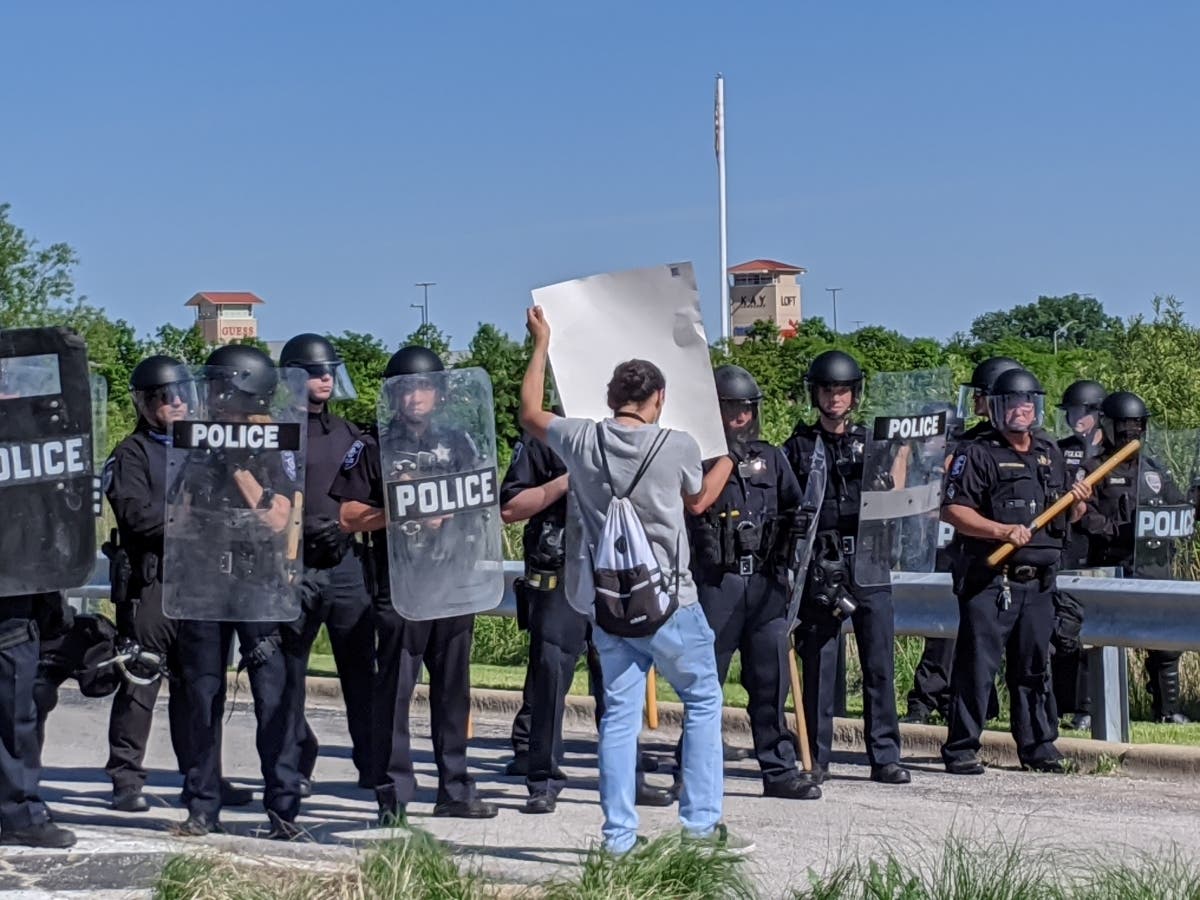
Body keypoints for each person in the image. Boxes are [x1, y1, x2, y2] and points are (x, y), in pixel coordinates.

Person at [518, 305, 751, 855]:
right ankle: (699, 828)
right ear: (659, 400)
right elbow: (699, 501)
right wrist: (729, 461)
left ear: (609, 398)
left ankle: (618, 838)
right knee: (701, 702)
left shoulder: (580, 439)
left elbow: (529, 411)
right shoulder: (677, 446)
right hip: (672, 602)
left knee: (619, 718)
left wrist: (542, 341)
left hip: (607, 605)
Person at [332, 346, 497, 824]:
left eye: (424, 386)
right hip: (399, 586)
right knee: (395, 692)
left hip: (454, 579)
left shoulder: (462, 439)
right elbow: (345, 515)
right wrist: (402, 512)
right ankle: (394, 794)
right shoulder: (373, 446)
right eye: (406, 387)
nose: (415, 395)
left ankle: (456, 787)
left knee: (453, 690)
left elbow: (484, 499)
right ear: (393, 394)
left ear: (440, 393)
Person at [500, 430, 675, 812]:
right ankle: (543, 780)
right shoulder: (542, 440)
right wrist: (568, 480)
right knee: (550, 677)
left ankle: (629, 777)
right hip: (560, 574)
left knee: (619, 681)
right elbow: (511, 507)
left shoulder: (617, 436)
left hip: (613, 574)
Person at [171, 344, 305, 837]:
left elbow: (277, 519)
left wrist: (236, 466)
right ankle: (202, 804)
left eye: (217, 389)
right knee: (201, 696)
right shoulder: (198, 444)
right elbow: (179, 516)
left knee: (274, 698)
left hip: (258, 583)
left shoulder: (276, 443)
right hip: (205, 583)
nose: (210, 398)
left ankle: (283, 809)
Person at [940, 368, 1092, 775]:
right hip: (992, 580)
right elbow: (953, 509)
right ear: (996, 408)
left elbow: (1068, 512)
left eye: (1027, 403)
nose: (1020, 411)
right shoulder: (978, 452)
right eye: (1011, 403)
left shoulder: (1048, 451)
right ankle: (962, 748)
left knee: (1033, 668)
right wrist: (1000, 530)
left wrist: (1078, 500)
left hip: (1039, 581)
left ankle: (1038, 747)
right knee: (978, 667)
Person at [683, 365, 820, 801]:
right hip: (716, 586)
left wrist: (792, 537)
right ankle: (691, 770)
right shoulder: (694, 458)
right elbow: (689, 509)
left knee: (770, 682)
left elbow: (799, 510)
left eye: (745, 410)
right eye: (729, 410)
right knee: (707, 683)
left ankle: (779, 770)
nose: (739, 418)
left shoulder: (772, 457)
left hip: (764, 585)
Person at [783, 350, 908, 787]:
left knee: (878, 661)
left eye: (842, 390)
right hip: (822, 560)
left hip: (870, 558)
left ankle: (886, 756)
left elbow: (901, 495)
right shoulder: (798, 447)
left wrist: (899, 463)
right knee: (819, 661)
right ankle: (815, 757)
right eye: (827, 390)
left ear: (855, 395)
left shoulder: (876, 442)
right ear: (815, 394)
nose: (835, 398)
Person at [903, 357, 1023, 725]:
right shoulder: (970, 444)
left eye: (980, 397)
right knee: (953, 636)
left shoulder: (1026, 445)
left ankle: (988, 707)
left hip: (1011, 555)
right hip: (969, 552)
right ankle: (934, 701)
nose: (973, 406)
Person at [278, 334, 374, 791]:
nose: (326, 379)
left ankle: (373, 768)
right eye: (316, 371)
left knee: (360, 670)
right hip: (294, 564)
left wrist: (347, 528)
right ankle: (295, 764)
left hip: (345, 563)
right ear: (293, 377)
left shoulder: (351, 434)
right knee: (289, 670)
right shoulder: (273, 432)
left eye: (331, 371)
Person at [1075, 391, 1192, 724]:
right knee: (1097, 639)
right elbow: (1083, 515)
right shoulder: (1093, 468)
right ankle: (1087, 710)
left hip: (1151, 567)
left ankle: (1167, 711)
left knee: (1166, 643)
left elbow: (1176, 506)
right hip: (1110, 565)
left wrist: (1188, 508)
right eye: (1123, 428)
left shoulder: (1155, 471)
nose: (1130, 435)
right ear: (1109, 427)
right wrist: (1113, 529)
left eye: (1136, 427)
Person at [1052, 379, 1107, 732]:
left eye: (1082, 412)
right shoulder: (1059, 450)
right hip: (1066, 553)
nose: (1075, 419)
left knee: (1093, 636)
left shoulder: (1115, 455)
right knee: (1064, 634)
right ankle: (1066, 705)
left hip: (1100, 557)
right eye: (1071, 412)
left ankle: (1090, 707)